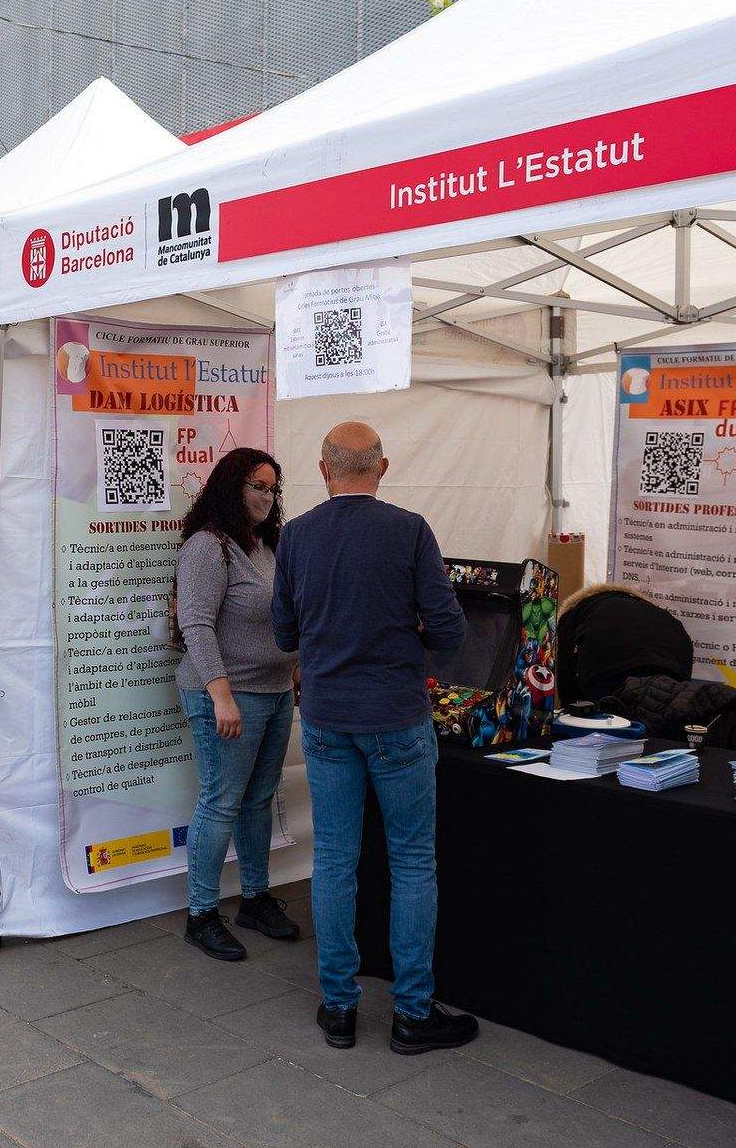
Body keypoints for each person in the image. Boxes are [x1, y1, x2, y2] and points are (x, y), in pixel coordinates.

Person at [272, 421, 473, 1055]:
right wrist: (405, 632)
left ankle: (339, 1008)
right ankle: (412, 1014)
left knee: (335, 861)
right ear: (381, 467)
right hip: (396, 716)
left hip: (328, 717)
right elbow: (450, 632)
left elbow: (284, 634)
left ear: (324, 468)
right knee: (412, 862)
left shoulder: (297, 537)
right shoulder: (409, 531)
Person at [174, 447, 300, 961]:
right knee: (221, 801)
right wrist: (220, 694)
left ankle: (254, 898)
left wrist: (292, 667)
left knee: (258, 797)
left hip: (273, 692)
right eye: (256, 486)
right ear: (232, 487)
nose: (266, 497)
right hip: (226, 696)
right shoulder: (210, 547)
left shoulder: (267, 547)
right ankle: (201, 913)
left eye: (272, 488)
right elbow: (196, 624)